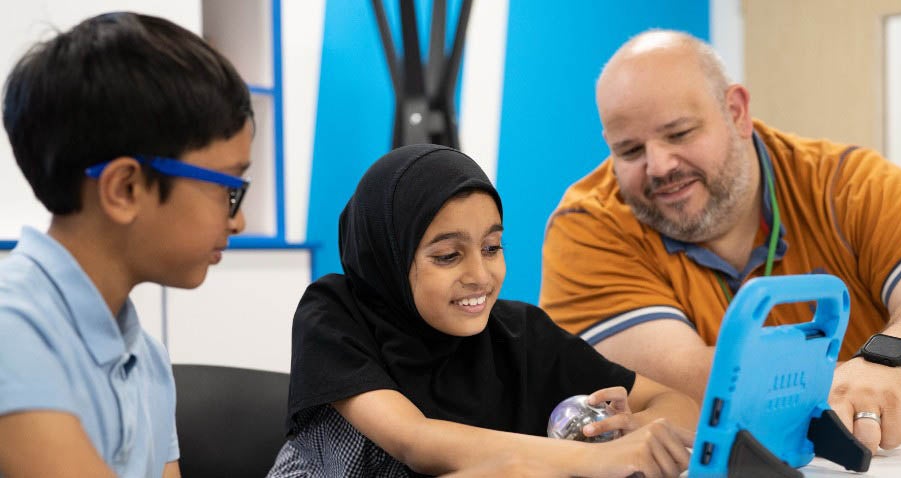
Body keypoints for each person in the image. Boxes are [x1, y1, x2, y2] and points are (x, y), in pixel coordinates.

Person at [540, 29, 901, 456]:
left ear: (736, 111)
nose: (659, 166)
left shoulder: (852, 187)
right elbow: (690, 386)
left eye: (678, 134)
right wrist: (864, 380)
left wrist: (889, 357)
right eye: (629, 150)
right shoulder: (586, 232)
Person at [268, 144, 697, 477]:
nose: (481, 275)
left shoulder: (520, 333)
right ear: (389, 259)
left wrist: (637, 427)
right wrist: (595, 460)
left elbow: (677, 403)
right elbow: (415, 441)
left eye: (492, 248)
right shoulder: (336, 313)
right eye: (448, 256)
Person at [0, 12, 253, 477]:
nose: (238, 220)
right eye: (229, 188)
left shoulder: (146, 360)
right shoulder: (11, 332)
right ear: (125, 189)